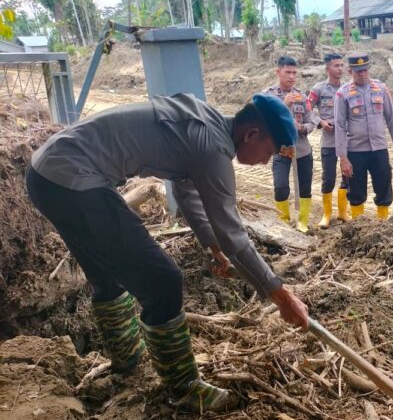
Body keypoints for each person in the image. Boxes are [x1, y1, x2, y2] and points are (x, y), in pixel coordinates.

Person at [26, 93, 309, 413]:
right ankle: (184, 387)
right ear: (252, 134)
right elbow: (234, 235)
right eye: (268, 152)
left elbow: (187, 194)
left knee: (107, 272)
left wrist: (213, 246)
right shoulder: (212, 148)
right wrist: (281, 295)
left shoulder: (205, 124)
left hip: (47, 175)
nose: (265, 162)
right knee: (163, 280)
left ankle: (127, 362)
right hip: (72, 178)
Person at [334, 52, 393, 220]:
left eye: (365, 70)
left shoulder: (380, 89)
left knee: (384, 187)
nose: (363, 74)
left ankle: (382, 223)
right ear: (350, 72)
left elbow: (391, 119)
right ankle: (358, 226)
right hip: (355, 151)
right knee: (356, 191)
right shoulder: (343, 93)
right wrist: (343, 158)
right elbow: (339, 126)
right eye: (358, 71)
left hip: (379, 149)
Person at [263, 56, 316, 232]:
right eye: (287, 72)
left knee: (305, 187)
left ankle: (302, 222)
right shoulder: (268, 96)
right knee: (281, 187)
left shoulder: (302, 96)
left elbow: (311, 122)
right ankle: (283, 222)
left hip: (302, 149)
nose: (292, 76)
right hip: (281, 150)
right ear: (278, 72)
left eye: (294, 72)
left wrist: (302, 127)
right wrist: (283, 105)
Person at [308, 53, 350, 228]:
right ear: (327, 68)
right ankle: (326, 214)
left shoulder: (348, 88)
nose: (340, 69)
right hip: (328, 142)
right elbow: (307, 107)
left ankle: (342, 212)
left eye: (341, 65)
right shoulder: (319, 89)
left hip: (347, 141)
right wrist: (320, 122)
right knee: (329, 178)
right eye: (336, 66)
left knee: (347, 176)